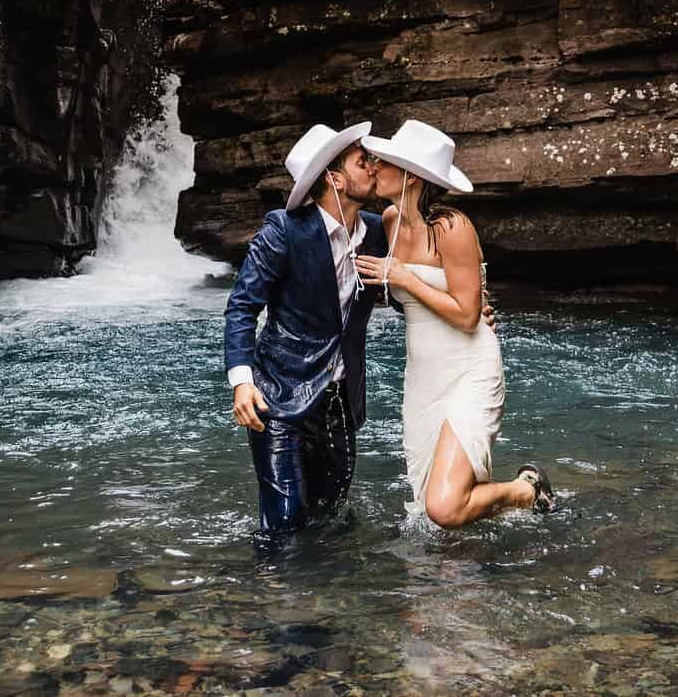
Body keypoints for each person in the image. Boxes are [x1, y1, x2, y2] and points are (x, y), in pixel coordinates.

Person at [352, 119, 555, 528]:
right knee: (440, 514)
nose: (374, 167)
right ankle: (455, 589)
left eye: (385, 162)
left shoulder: (452, 227)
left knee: (443, 508)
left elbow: (466, 315)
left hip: (468, 370)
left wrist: (406, 277)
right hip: (424, 377)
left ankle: (525, 490)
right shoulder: (389, 222)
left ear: (410, 177)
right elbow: (406, 297)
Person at [223, 122, 392, 536]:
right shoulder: (284, 229)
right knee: (284, 524)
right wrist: (241, 382)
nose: (373, 166)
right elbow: (242, 307)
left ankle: (326, 599)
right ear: (335, 179)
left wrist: (467, 312)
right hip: (277, 397)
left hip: (339, 400)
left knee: (330, 517)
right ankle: (270, 596)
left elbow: (404, 288)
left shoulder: (377, 232)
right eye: (361, 160)